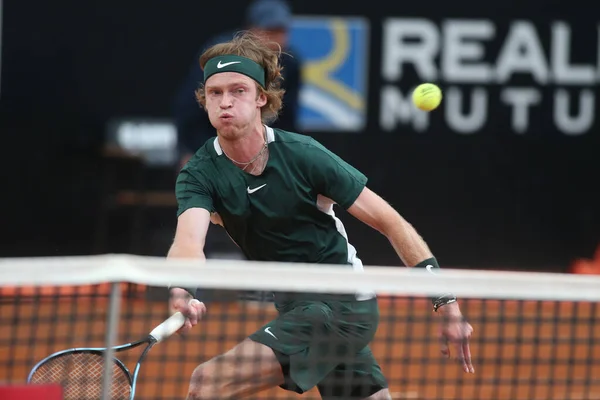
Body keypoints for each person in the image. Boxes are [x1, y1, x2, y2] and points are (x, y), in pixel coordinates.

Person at [168, 32, 474, 400]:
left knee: (207, 383)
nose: (225, 102)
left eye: (238, 91)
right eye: (215, 93)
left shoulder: (304, 156)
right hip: (297, 310)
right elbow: (188, 241)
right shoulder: (199, 173)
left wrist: (446, 303)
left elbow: (390, 222)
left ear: (261, 98)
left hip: (343, 305)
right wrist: (182, 288)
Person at [173, 0, 301, 170]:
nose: (277, 39)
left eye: (281, 31)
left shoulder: (290, 63)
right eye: (270, 31)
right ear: (251, 29)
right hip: (209, 142)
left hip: (258, 149)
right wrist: (193, 152)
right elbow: (191, 108)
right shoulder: (222, 54)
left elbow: (286, 116)